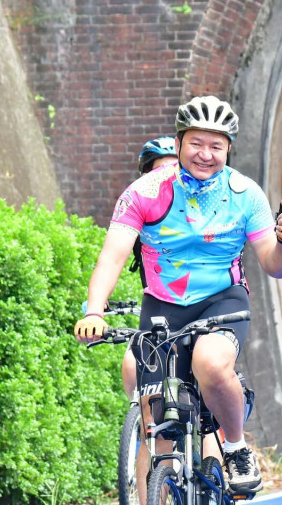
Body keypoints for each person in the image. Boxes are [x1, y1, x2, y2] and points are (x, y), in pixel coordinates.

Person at [74, 95, 282, 498]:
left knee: (210, 364)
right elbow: (112, 256)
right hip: (162, 307)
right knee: (159, 430)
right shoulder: (145, 191)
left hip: (223, 301)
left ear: (229, 148)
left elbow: (275, 265)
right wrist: (94, 310)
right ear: (179, 143)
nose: (206, 154)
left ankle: (234, 445)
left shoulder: (246, 194)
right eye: (196, 143)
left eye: (216, 145)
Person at [119, 136, 179, 399]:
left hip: (202, 311)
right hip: (159, 311)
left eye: (174, 169)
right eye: (158, 171)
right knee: (132, 365)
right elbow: (113, 259)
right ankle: (140, 427)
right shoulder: (138, 213)